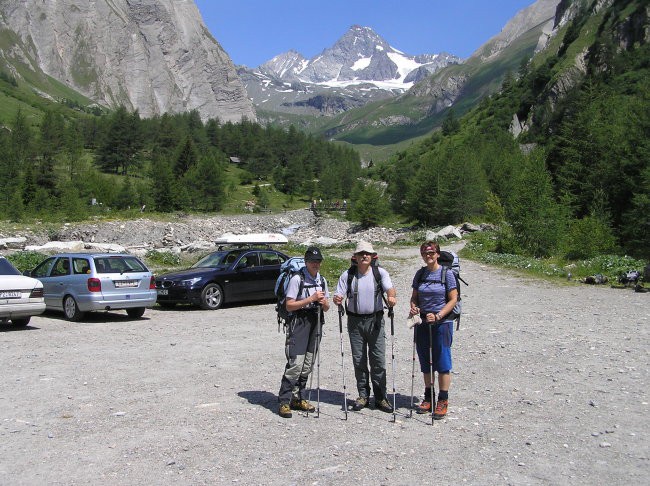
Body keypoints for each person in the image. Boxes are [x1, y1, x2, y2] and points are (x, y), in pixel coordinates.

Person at [333, 241, 397, 413]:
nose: (364, 256)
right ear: (355, 256)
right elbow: (338, 294)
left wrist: (391, 298)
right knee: (359, 360)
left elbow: (390, 290)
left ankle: (380, 397)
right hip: (354, 322)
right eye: (361, 254)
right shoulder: (347, 275)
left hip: (375, 320)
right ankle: (363, 395)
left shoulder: (379, 272)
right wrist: (337, 299)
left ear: (373, 256)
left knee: (378, 360)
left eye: (367, 253)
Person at [278, 246, 330, 418]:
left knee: (308, 363)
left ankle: (299, 398)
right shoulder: (296, 279)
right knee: (296, 363)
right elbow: (289, 304)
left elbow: (327, 307)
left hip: (316, 320)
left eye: (318, 261)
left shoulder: (321, 280)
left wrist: (323, 303)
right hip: (299, 321)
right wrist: (311, 299)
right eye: (313, 261)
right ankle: (284, 401)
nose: (316, 264)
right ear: (306, 262)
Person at [409, 241, 458, 420]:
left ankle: (443, 399)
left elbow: (453, 299)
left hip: (442, 323)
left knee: (442, 361)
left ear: (437, 254)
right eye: (424, 253)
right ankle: (429, 396)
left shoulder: (447, 274)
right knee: (425, 360)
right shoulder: (420, 274)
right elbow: (414, 297)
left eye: (431, 252)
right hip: (422, 322)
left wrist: (438, 315)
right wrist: (414, 308)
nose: (428, 255)